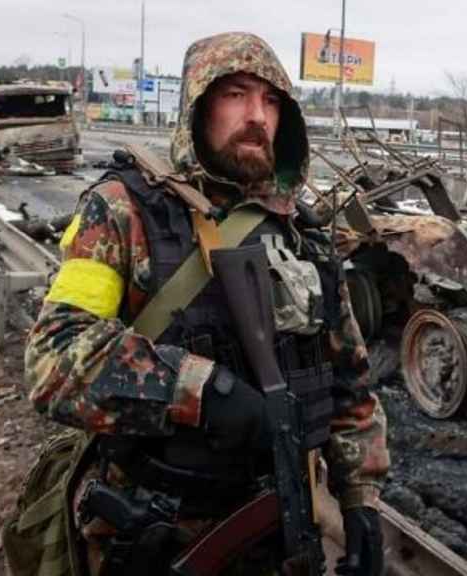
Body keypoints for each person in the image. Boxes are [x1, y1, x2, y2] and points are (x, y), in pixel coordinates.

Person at [23, 32, 388, 575]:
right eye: (236, 94)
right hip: (159, 528)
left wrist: (361, 499)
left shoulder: (302, 236)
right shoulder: (123, 211)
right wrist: (200, 390)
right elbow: (54, 359)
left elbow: (349, 382)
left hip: (275, 526)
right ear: (198, 105)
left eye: (270, 101)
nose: (257, 116)